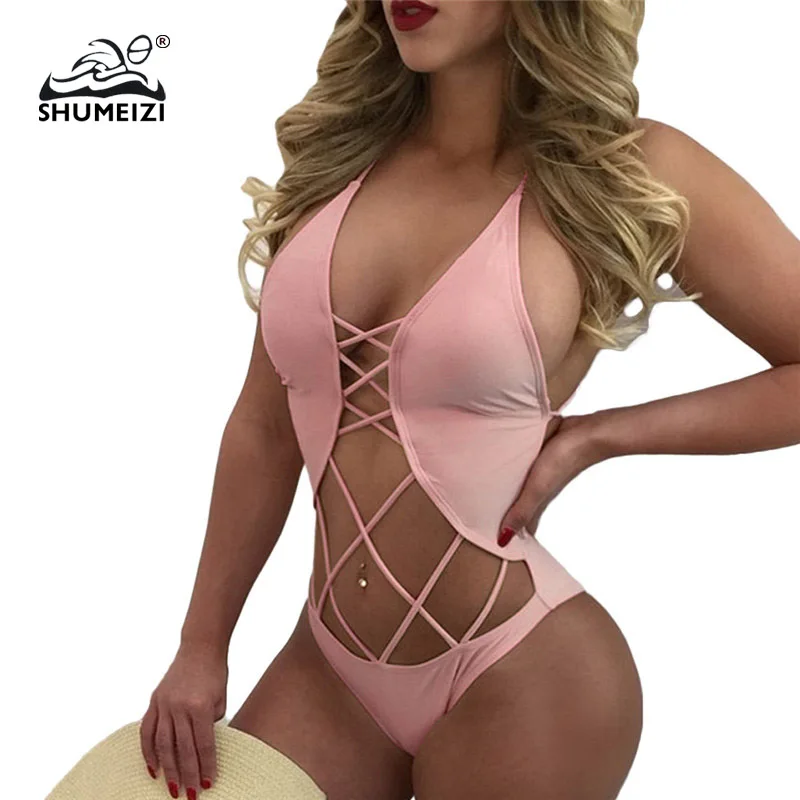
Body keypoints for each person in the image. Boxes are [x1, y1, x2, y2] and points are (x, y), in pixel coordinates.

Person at [140, 2, 800, 799]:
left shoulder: (622, 168)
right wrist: (201, 644)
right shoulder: (338, 157)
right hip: (328, 669)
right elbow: (263, 428)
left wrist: (598, 436)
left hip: (522, 671)